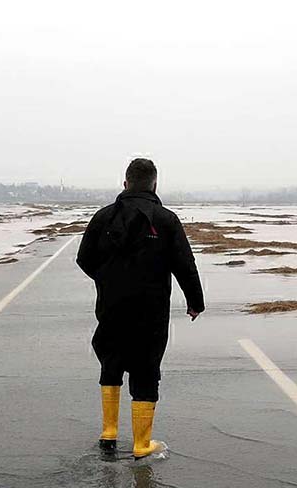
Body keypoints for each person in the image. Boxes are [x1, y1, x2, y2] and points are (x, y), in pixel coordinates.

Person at [76, 158, 204, 459]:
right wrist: (195, 301)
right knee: (146, 370)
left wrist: (108, 279)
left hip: (111, 306)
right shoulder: (166, 219)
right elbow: (185, 264)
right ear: (155, 185)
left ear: (125, 184)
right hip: (151, 310)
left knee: (111, 362)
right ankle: (141, 445)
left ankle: (108, 434)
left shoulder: (103, 217)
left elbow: (84, 258)